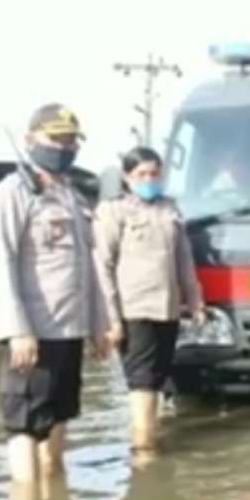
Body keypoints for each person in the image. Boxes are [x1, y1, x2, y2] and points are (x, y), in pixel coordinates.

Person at [0, 103, 110, 500]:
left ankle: (54, 498)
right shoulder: (11, 194)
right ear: (30, 140)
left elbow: (87, 267)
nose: (65, 147)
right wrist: (17, 328)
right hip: (32, 331)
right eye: (56, 138)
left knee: (59, 418)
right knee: (24, 424)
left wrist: (98, 325)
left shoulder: (71, 196)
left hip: (69, 328)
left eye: (71, 140)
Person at [93, 146, 205, 456]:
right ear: (127, 177)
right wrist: (112, 320)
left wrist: (194, 302)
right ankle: (143, 452)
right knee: (141, 384)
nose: (148, 179)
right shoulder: (113, 211)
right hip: (133, 310)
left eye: (154, 174)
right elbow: (102, 265)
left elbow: (184, 261)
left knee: (157, 380)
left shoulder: (170, 209)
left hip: (167, 308)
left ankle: (150, 441)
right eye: (141, 174)